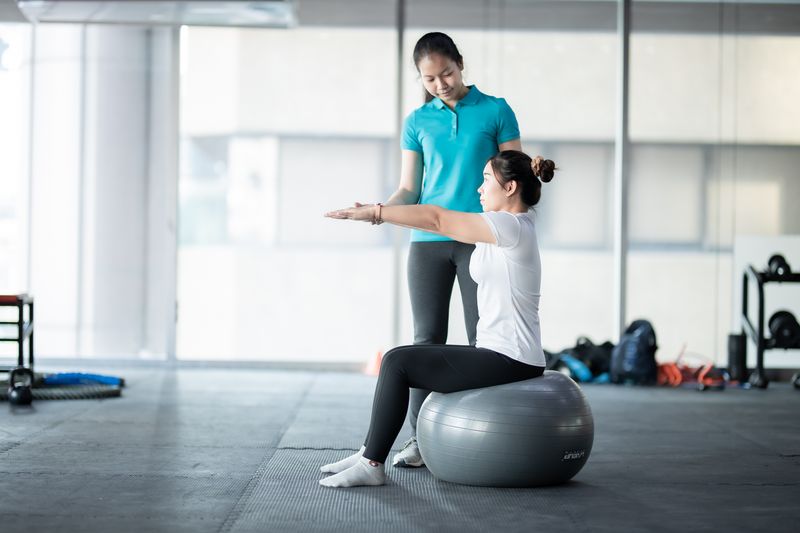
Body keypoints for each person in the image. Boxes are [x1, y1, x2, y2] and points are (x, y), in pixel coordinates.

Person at [319, 150, 556, 488]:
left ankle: (372, 464)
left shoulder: (511, 226)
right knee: (398, 359)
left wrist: (375, 212)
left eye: (486, 179)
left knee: (397, 363)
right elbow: (433, 223)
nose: (479, 188)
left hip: (512, 358)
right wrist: (380, 216)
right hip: (500, 352)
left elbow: (437, 219)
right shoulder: (499, 227)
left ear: (510, 187)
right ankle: (366, 454)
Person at [383, 32, 522, 468]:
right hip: (427, 242)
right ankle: (419, 441)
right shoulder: (417, 122)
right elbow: (410, 189)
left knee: (484, 341)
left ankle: (488, 434)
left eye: (446, 73)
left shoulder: (496, 110)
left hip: (479, 238)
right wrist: (380, 211)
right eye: (430, 78)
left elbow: (514, 176)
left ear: (460, 64)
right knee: (426, 341)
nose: (440, 84)